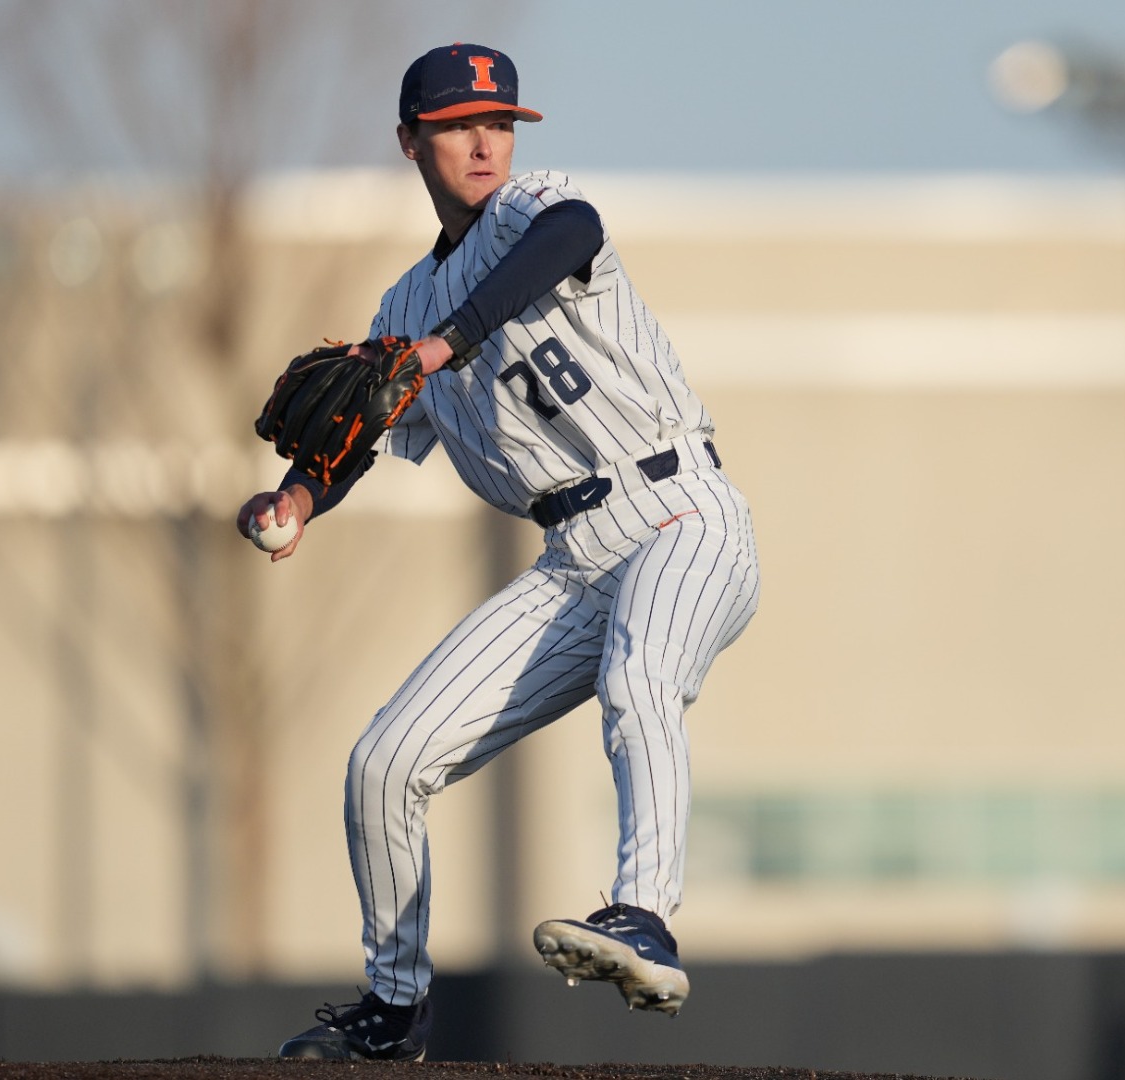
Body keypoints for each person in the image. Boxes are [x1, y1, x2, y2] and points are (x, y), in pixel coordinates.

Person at [237, 43, 761, 1062]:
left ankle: (643, 914)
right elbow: (366, 430)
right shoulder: (401, 309)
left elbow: (574, 235)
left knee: (640, 676)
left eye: (499, 123)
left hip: (682, 513)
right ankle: (394, 1012)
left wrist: (448, 344)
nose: (484, 142)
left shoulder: (536, 209)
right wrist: (300, 494)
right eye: (456, 126)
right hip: (573, 556)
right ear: (410, 143)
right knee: (385, 764)